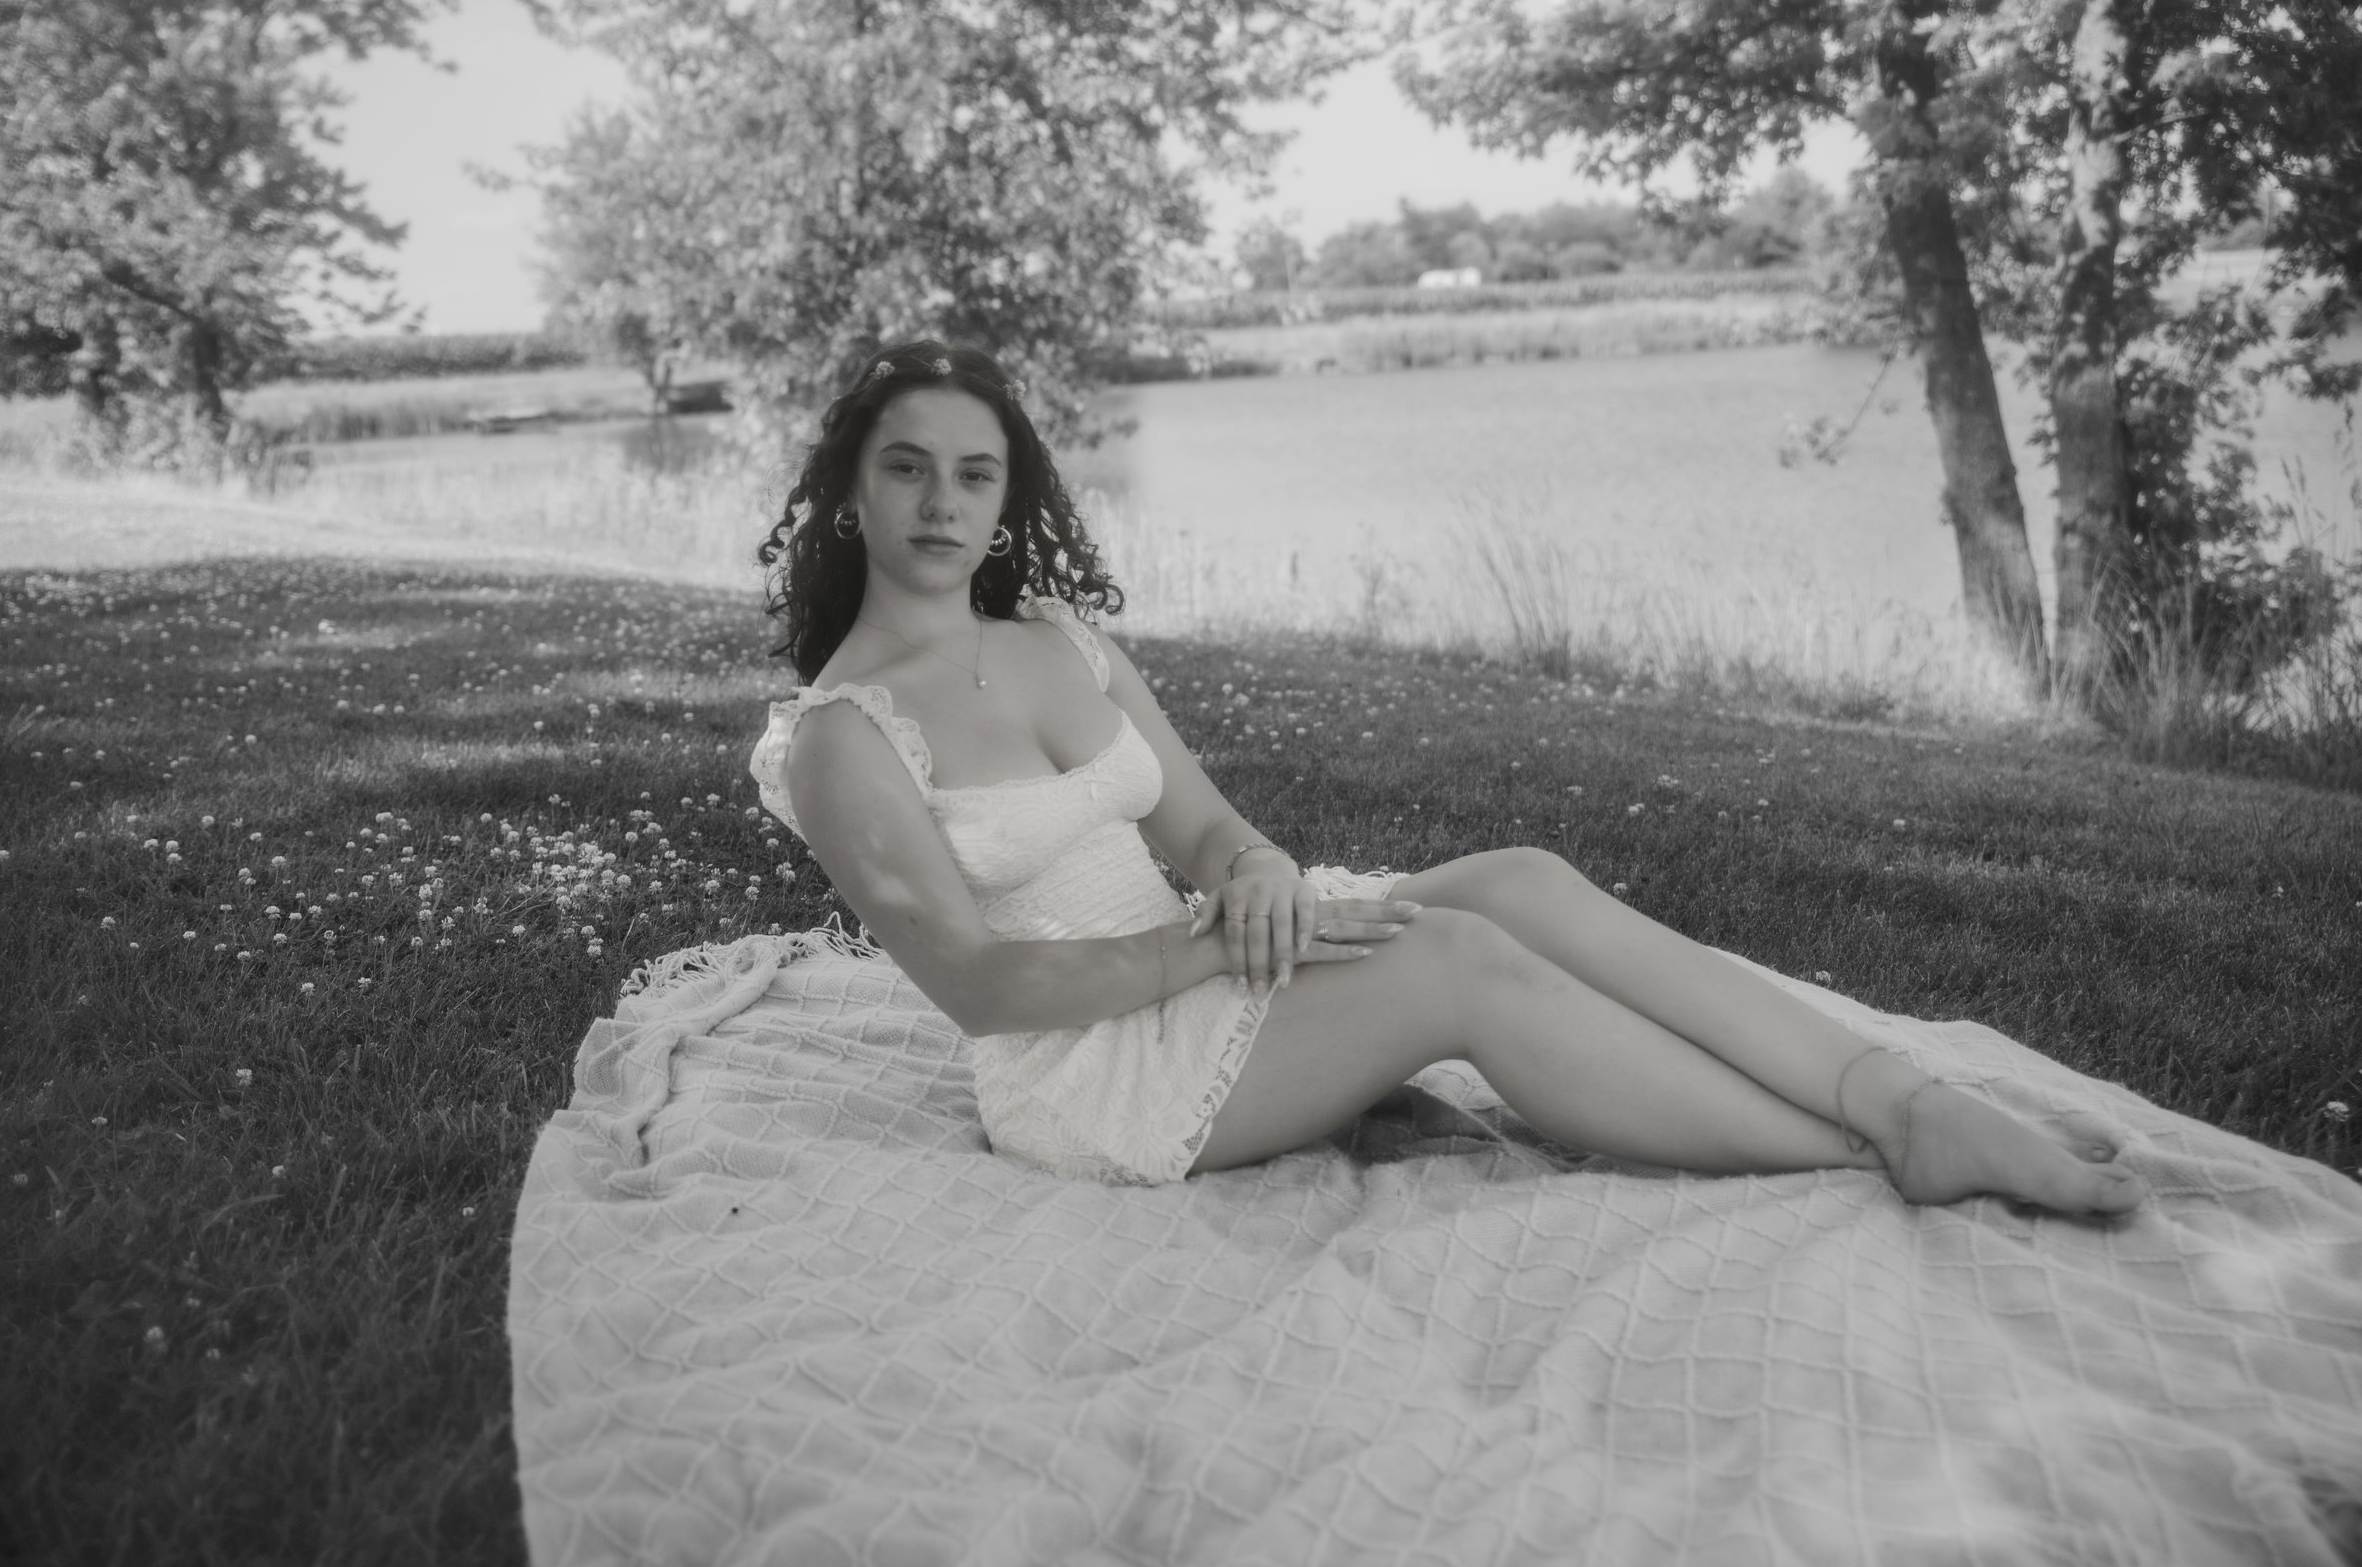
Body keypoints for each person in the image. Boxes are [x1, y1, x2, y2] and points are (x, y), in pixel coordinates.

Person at [747, 339, 2148, 1216]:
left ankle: (1894, 1095)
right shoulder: (843, 736)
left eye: (975, 475)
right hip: (1090, 1073)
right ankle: (1868, 1149)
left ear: (1008, 501)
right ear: (853, 491)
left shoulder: (1057, 641)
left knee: (1515, 882)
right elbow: (984, 988)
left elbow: (1209, 826)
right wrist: (1219, 941)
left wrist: (1260, 877)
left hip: (1205, 961)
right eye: (910, 470)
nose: (943, 503)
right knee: (1456, 963)